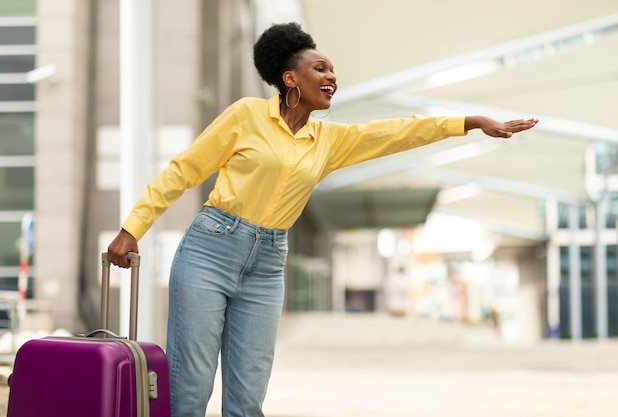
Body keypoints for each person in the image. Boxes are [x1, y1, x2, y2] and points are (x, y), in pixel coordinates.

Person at [108, 22, 538, 417]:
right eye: (320, 68)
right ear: (290, 78)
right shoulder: (246, 116)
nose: (331, 76)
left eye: (333, 70)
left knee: (247, 399)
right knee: (190, 390)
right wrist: (132, 229)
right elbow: (183, 170)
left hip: (267, 266)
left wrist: (472, 122)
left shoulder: (329, 141)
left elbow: (400, 132)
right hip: (210, 250)